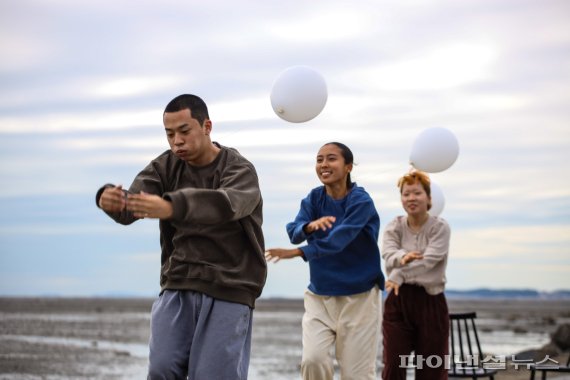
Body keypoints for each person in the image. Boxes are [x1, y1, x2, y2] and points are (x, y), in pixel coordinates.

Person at [95, 94, 267, 380]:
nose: (177, 141)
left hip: (229, 287)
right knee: (161, 370)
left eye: (184, 131)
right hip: (178, 283)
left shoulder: (238, 169)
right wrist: (109, 199)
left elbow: (226, 205)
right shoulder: (165, 166)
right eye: (169, 134)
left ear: (207, 126)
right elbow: (134, 202)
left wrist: (173, 206)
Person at [265, 142, 385, 380]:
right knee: (313, 360)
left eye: (331, 159)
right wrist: (309, 226)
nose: (323, 164)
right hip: (320, 297)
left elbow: (340, 239)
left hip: (359, 299)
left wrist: (300, 253)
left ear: (348, 166)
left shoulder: (361, 201)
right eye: (319, 160)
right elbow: (294, 230)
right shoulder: (314, 198)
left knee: (355, 375)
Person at [381, 170, 451, 380]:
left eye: (417, 193)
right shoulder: (395, 226)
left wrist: (399, 274)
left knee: (431, 367)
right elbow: (388, 253)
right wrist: (403, 257)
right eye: (406, 194)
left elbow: (429, 261)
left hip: (430, 301)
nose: (411, 198)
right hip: (398, 300)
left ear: (429, 198)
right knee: (394, 365)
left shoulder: (440, 227)